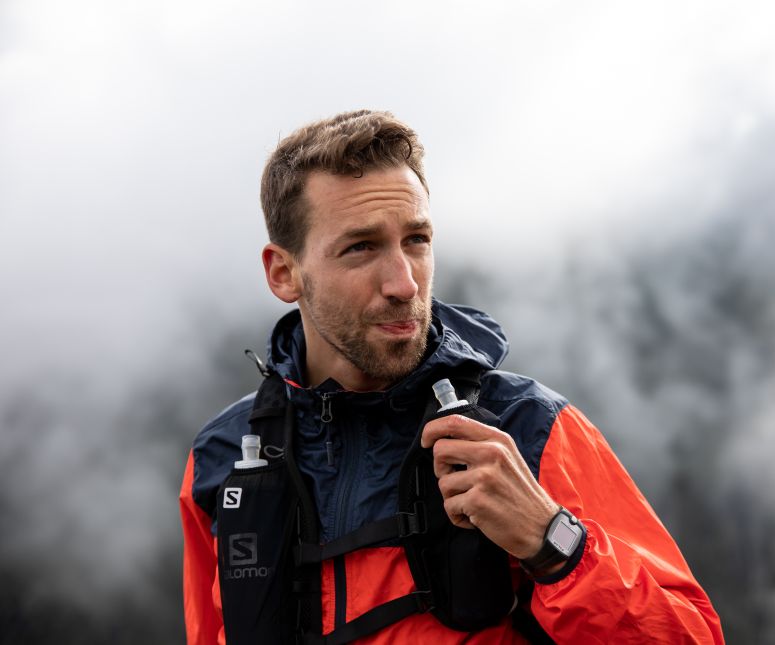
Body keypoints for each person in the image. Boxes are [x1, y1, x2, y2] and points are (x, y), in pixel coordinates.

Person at [179, 109, 724, 644]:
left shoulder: (527, 428)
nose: (404, 284)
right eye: (361, 247)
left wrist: (553, 544)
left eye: (416, 240)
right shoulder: (222, 457)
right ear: (283, 272)